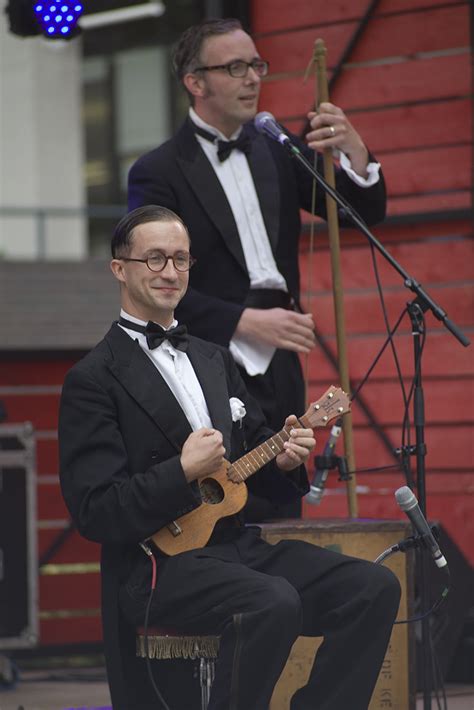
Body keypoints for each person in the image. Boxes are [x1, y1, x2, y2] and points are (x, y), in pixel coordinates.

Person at [59, 205, 401, 710]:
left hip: (235, 546)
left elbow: (256, 451)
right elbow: (95, 510)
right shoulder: (93, 379)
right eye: (154, 259)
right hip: (155, 565)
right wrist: (180, 472)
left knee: (372, 587)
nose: (170, 272)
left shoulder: (214, 358)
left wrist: (285, 459)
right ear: (119, 268)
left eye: (180, 259)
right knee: (272, 600)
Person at [127, 18, 386, 521]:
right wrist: (244, 321)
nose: (253, 78)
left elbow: (361, 211)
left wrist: (354, 148)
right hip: (209, 353)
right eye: (235, 67)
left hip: (282, 353)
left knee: (284, 501)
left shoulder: (274, 145)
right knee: (225, 505)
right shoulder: (157, 171)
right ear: (196, 83)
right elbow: (151, 285)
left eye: (256, 65)